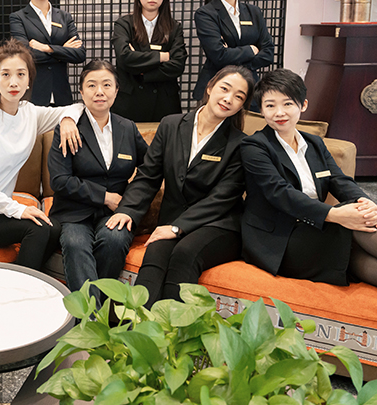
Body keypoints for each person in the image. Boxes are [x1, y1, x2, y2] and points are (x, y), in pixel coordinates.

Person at [107, 65, 254, 308]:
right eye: (224, 89)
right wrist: (127, 210)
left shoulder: (240, 144)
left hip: (219, 224)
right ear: (210, 87)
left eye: (238, 96)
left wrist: (177, 228)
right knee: (155, 252)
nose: (228, 99)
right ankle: (138, 327)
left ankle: (172, 329)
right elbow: (148, 176)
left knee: (185, 253)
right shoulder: (171, 125)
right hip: (173, 218)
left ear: (242, 105)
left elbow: (222, 198)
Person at [0, 39, 83, 271]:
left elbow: (79, 107)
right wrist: (17, 209)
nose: (13, 82)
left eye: (21, 74)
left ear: (29, 80)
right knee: (37, 229)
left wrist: (68, 119)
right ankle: (22, 285)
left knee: (54, 229)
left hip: (0, 211)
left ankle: (21, 274)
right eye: (6, 74)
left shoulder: (30, 113)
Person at [240, 69, 377, 286]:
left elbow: (339, 180)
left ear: (303, 105)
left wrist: (366, 203)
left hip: (317, 227)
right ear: (262, 110)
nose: (279, 112)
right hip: (280, 240)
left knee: (359, 233)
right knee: (350, 226)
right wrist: (334, 215)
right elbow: (280, 193)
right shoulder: (254, 146)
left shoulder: (314, 143)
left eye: (287, 104)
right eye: (270, 105)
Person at [47, 61, 148, 302]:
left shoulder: (128, 128)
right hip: (74, 211)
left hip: (114, 212)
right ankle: (91, 316)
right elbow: (59, 180)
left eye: (106, 85)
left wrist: (128, 203)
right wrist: (104, 197)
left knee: (115, 239)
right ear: (81, 92)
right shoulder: (68, 128)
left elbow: (150, 170)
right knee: (75, 243)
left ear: (116, 90)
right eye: (91, 85)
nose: (99, 91)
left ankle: (93, 312)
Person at [193, 0, 274, 103]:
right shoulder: (205, 14)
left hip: (249, 88)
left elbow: (268, 53)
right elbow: (218, 55)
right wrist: (251, 50)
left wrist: (234, 58)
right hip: (216, 88)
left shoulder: (254, 12)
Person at [112, 0, 187, 122]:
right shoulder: (124, 24)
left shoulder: (174, 27)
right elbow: (125, 57)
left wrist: (142, 72)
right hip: (130, 102)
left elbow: (178, 65)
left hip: (164, 103)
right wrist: (162, 56)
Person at [10, 0, 85, 106]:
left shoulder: (64, 17)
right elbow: (25, 55)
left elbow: (80, 54)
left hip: (61, 94)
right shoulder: (18, 18)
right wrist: (62, 51)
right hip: (33, 95)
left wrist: (47, 48)